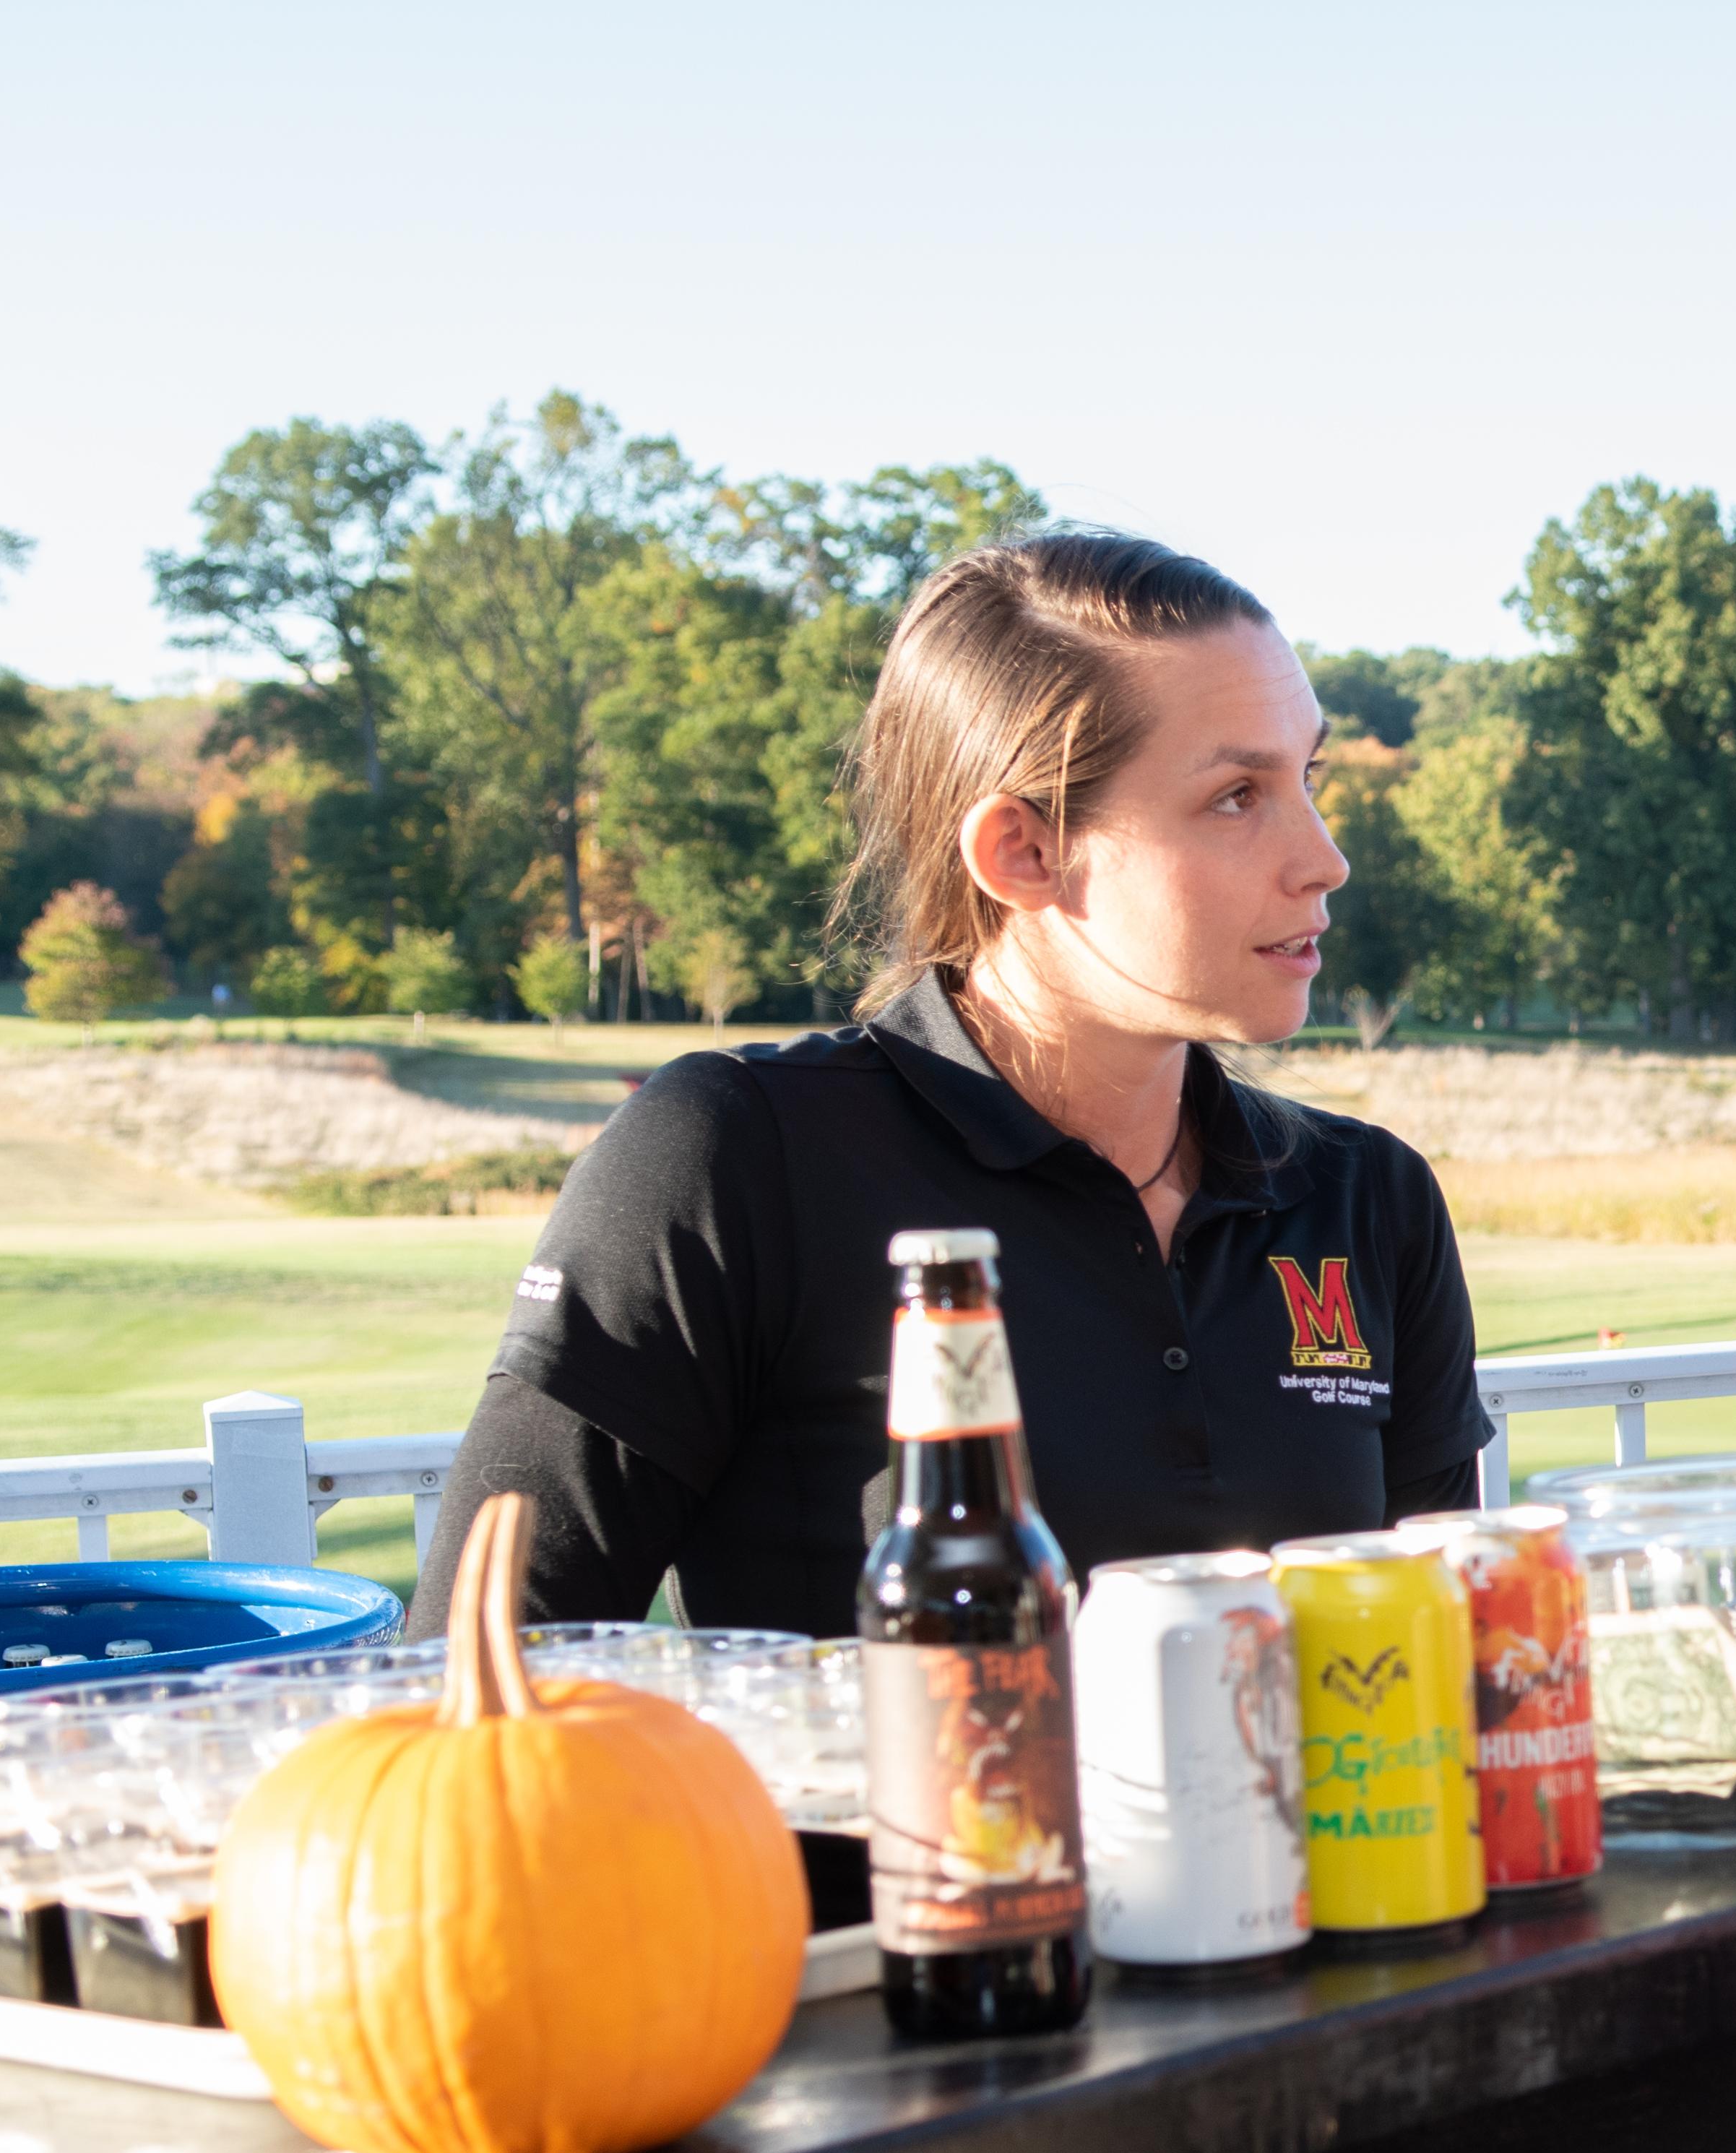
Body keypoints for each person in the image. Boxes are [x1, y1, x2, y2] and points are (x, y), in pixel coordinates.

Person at [417, 532, 1490, 1636]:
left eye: (1306, 778)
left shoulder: (1366, 1198)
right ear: (1023, 851)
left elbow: (1447, 1673)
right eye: (1236, 796)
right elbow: (477, 1676)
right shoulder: (734, 1159)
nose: (1324, 858)